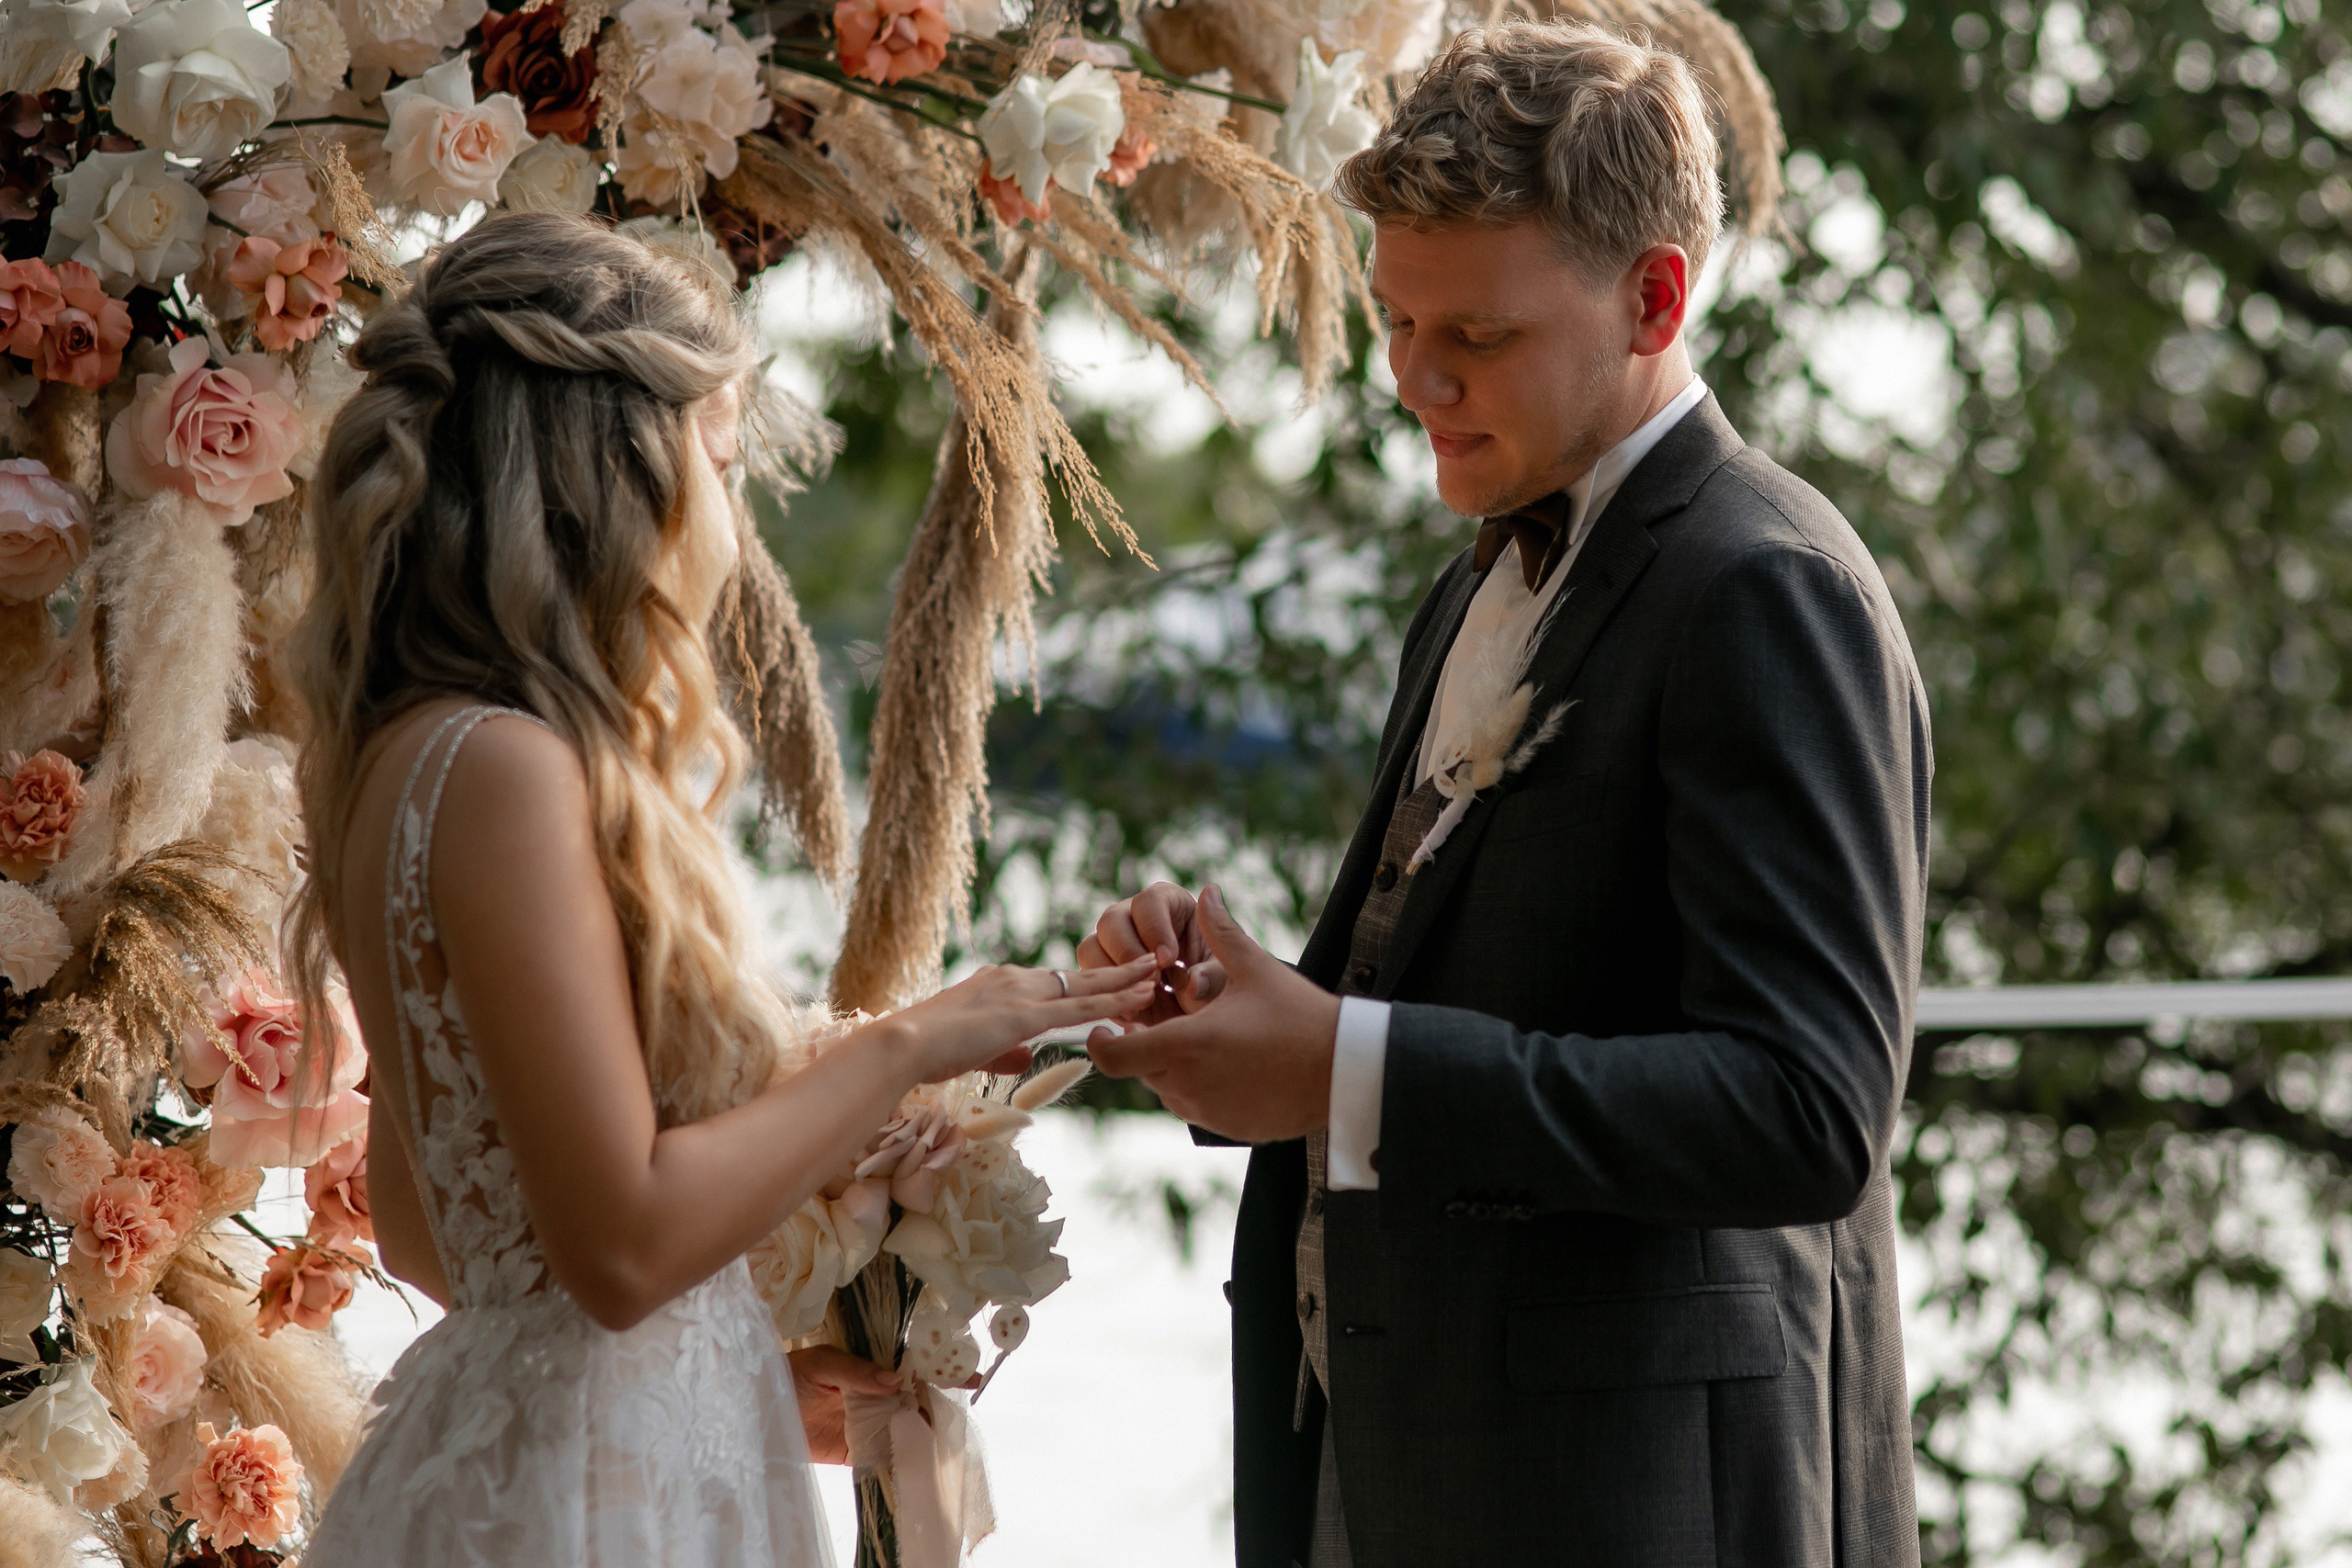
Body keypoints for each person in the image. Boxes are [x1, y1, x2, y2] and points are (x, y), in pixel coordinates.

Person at [1079, 22, 1929, 1568]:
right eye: (1398, 321)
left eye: (1474, 334)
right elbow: (1450, 982)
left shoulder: (1765, 588)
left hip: (1631, 1502)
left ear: (1655, 296)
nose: (1414, 380)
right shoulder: (1474, 577)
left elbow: (1806, 1114)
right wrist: (1241, 1006)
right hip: (1394, 1462)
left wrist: (1346, 1066)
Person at [286, 211, 1159, 1567]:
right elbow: (623, 1246)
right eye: (726, 460)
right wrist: (917, 1043)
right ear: (621, 469)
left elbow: (435, 1232)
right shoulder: (512, 773)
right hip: (592, 1504)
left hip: (531, 1451)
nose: (733, 522)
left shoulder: (397, 762)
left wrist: (721, 1360)